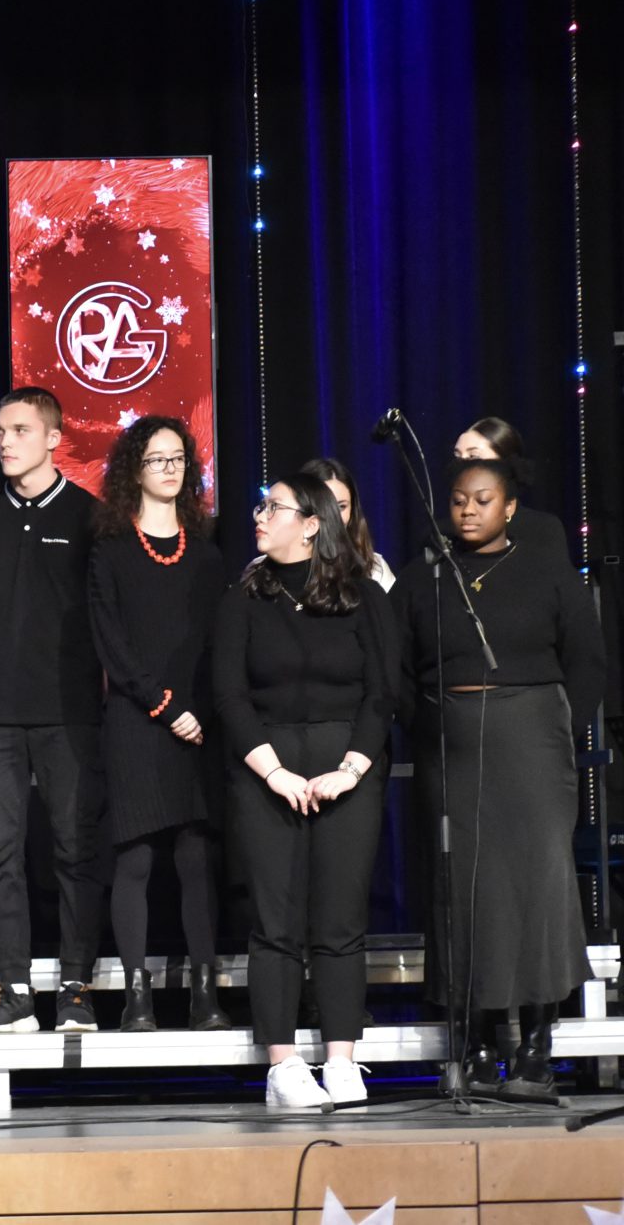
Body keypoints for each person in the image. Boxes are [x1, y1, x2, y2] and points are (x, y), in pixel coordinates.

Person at [398, 458, 601, 1100]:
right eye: (459, 500)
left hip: (534, 744)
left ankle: (538, 1046)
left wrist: (558, 730)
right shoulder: (426, 576)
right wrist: (428, 725)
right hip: (452, 747)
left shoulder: (547, 571)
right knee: (466, 890)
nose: (468, 510)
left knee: (537, 885)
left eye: (483, 500)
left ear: (509, 507)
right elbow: (396, 666)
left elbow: (588, 661)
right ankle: (480, 1044)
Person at [214, 474, 396, 1110]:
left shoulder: (362, 596)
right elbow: (230, 696)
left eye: (274, 508)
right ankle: (283, 1065)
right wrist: (274, 773)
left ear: (312, 524)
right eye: (260, 506)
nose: (259, 516)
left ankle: (341, 1058)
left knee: (341, 918)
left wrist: (350, 769)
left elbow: (383, 692)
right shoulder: (243, 598)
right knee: (276, 921)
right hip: (269, 770)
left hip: (347, 769)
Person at [0, 387, 105, 1033]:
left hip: (71, 711)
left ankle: (75, 988)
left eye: (19, 429)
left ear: (52, 438)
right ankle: (12, 990)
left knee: (75, 848)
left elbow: (106, 619)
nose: (5, 441)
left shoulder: (91, 517)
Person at [87, 416, 231, 1033]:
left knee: (197, 858)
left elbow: (222, 643)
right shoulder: (112, 551)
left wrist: (198, 712)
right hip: (138, 720)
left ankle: (205, 995)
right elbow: (111, 644)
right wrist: (165, 706)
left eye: (178, 459)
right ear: (134, 470)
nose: (170, 470)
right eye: (157, 460)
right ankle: (137, 998)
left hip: (199, 722)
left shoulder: (208, 554)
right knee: (136, 859)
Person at [451, 415, 571, 556]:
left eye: (473, 457)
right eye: (458, 457)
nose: (461, 465)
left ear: (506, 464)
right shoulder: (442, 533)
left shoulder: (543, 528)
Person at [298, 457, 394, 592]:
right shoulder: (277, 568)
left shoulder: (375, 569)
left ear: (352, 511)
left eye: (341, 507)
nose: (333, 516)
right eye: (324, 506)